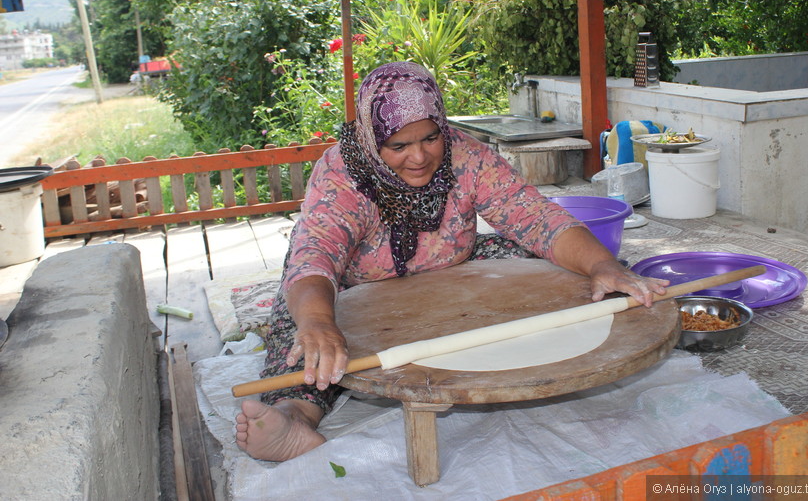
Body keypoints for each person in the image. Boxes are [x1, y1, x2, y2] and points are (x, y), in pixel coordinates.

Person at [235, 61, 669, 462]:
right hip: (355, 287)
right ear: (372, 139)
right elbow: (316, 254)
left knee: (564, 259)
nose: (419, 157)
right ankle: (295, 416)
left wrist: (601, 266)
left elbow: (534, 216)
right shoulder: (342, 172)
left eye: (430, 137)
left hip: (452, 268)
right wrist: (318, 323)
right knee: (306, 330)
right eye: (398, 145)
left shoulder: (467, 155)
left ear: (443, 125)